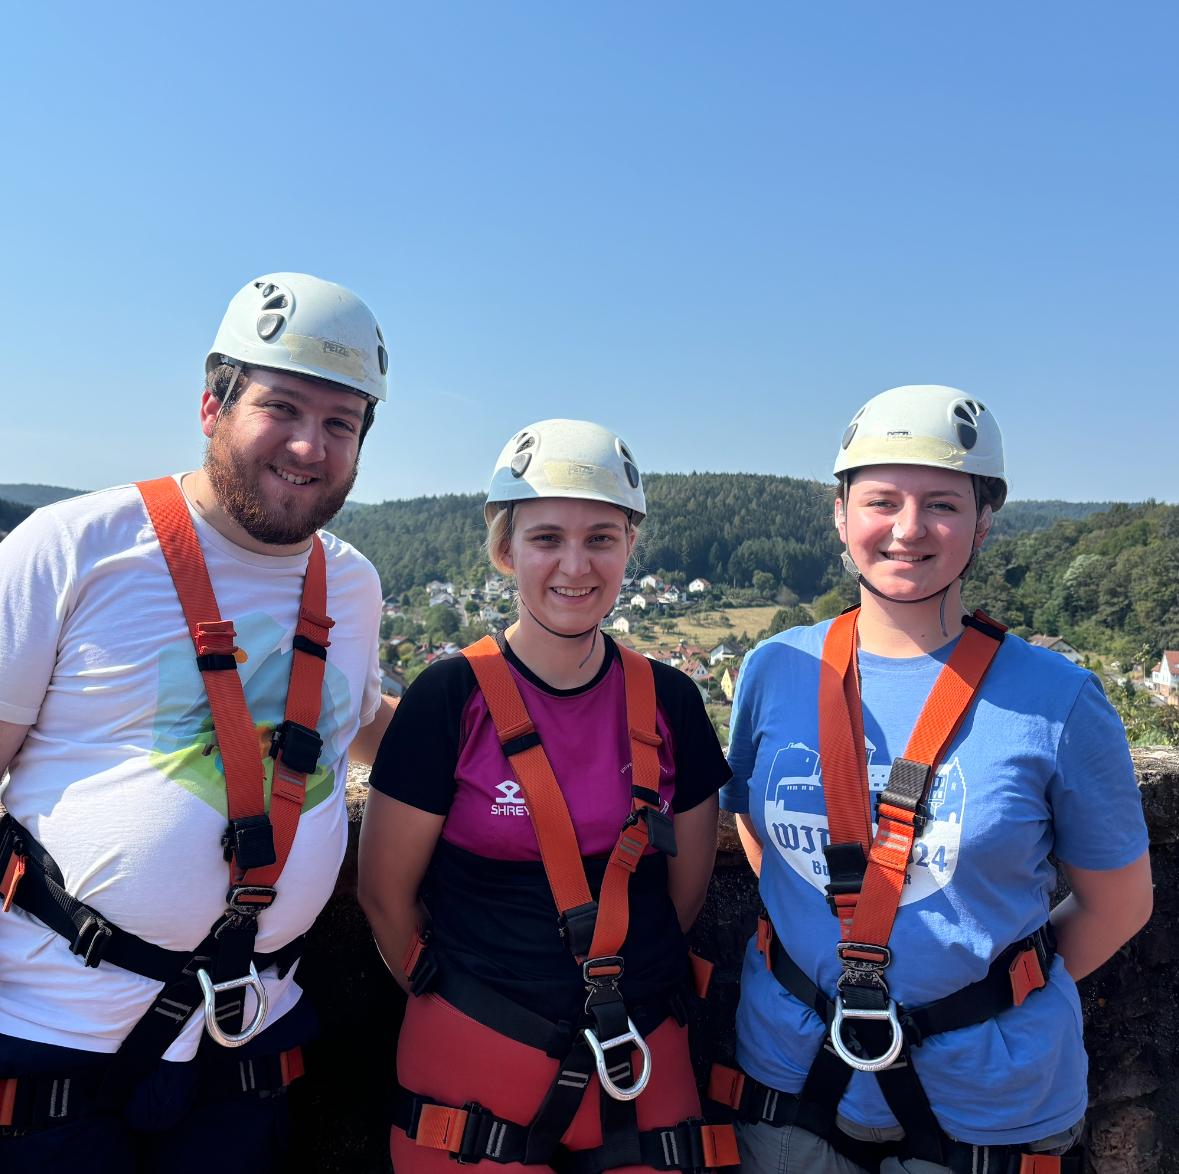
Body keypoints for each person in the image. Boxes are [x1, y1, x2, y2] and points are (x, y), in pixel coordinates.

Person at [0, 273, 397, 1171]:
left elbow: (361, 718)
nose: (310, 444)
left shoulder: (352, 583)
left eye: (341, 423)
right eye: (281, 406)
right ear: (213, 404)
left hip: (245, 1044)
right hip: (53, 1034)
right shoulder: (76, 548)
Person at [712, 386, 1153, 1174]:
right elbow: (758, 833)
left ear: (982, 524)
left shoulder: (1056, 701)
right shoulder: (774, 670)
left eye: (941, 504)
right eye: (881, 500)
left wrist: (981, 999)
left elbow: (1118, 904)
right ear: (840, 515)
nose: (908, 528)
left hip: (991, 1105)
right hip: (789, 1086)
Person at [359, 419, 738, 1173]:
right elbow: (382, 896)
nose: (575, 565)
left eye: (601, 539)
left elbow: (685, 894)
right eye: (545, 539)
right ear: (505, 550)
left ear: (629, 546)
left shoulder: (672, 701)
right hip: (475, 1060)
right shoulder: (448, 697)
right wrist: (474, 1004)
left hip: (639, 1057)